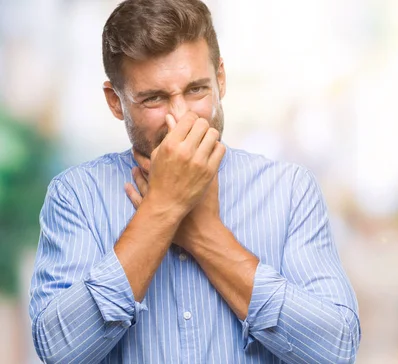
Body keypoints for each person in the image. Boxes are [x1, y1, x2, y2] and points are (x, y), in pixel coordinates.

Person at [28, 0, 360, 363]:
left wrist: (205, 235)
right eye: (154, 98)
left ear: (221, 79)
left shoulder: (290, 191)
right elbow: (60, 353)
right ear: (115, 101)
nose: (181, 118)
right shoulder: (76, 196)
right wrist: (162, 211)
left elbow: (336, 350)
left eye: (196, 90)